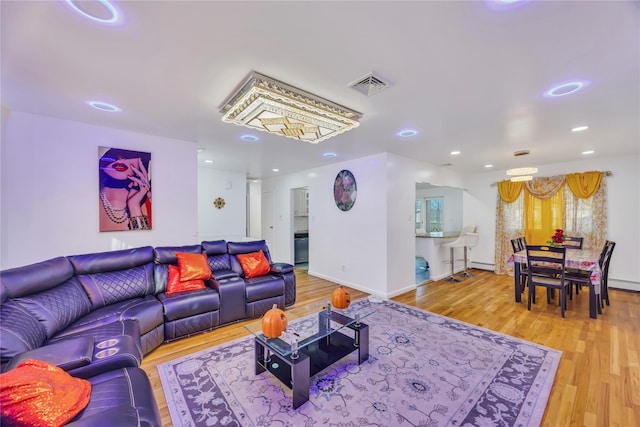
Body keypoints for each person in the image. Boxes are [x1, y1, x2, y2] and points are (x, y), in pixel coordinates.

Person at [99, 147, 152, 231]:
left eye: (129, 154)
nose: (120, 158)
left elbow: (144, 243)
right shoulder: (85, 200)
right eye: (111, 153)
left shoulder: (154, 201)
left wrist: (134, 206)